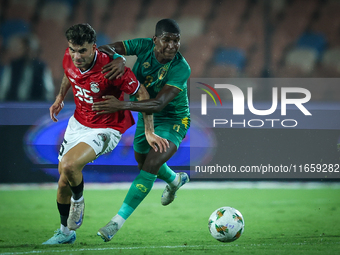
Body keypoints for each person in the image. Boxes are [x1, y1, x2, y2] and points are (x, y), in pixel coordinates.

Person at [42, 23, 168, 245]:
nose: (76, 56)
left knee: (70, 166)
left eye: (82, 51)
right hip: (77, 124)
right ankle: (65, 232)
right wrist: (60, 97)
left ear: (94, 47)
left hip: (105, 128)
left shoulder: (113, 69)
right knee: (63, 181)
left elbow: (143, 94)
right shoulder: (69, 57)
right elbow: (68, 74)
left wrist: (149, 131)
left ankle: (79, 202)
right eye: (73, 50)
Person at [92, 18, 191, 242]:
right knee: (142, 162)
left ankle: (116, 222)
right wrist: (118, 59)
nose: (172, 46)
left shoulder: (181, 67)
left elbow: (159, 104)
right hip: (146, 112)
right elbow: (103, 50)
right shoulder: (143, 46)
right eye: (167, 40)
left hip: (174, 118)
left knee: (152, 163)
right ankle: (175, 180)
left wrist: (123, 105)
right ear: (155, 40)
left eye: (176, 41)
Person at [0, 34, 54, 101]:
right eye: (26, 48)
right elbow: (4, 87)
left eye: (30, 48)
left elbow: (48, 89)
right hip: (14, 104)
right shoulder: (13, 65)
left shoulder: (41, 67)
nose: (28, 51)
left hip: (35, 104)